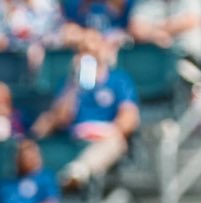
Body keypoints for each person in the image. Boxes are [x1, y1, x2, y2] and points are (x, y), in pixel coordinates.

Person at [31, 31, 139, 193]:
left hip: (105, 136)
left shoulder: (118, 79)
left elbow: (130, 117)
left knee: (115, 143)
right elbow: (60, 118)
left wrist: (110, 131)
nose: (89, 53)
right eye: (83, 49)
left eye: (93, 48)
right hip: (75, 138)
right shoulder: (69, 84)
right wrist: (73, 85)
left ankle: (79, 171)